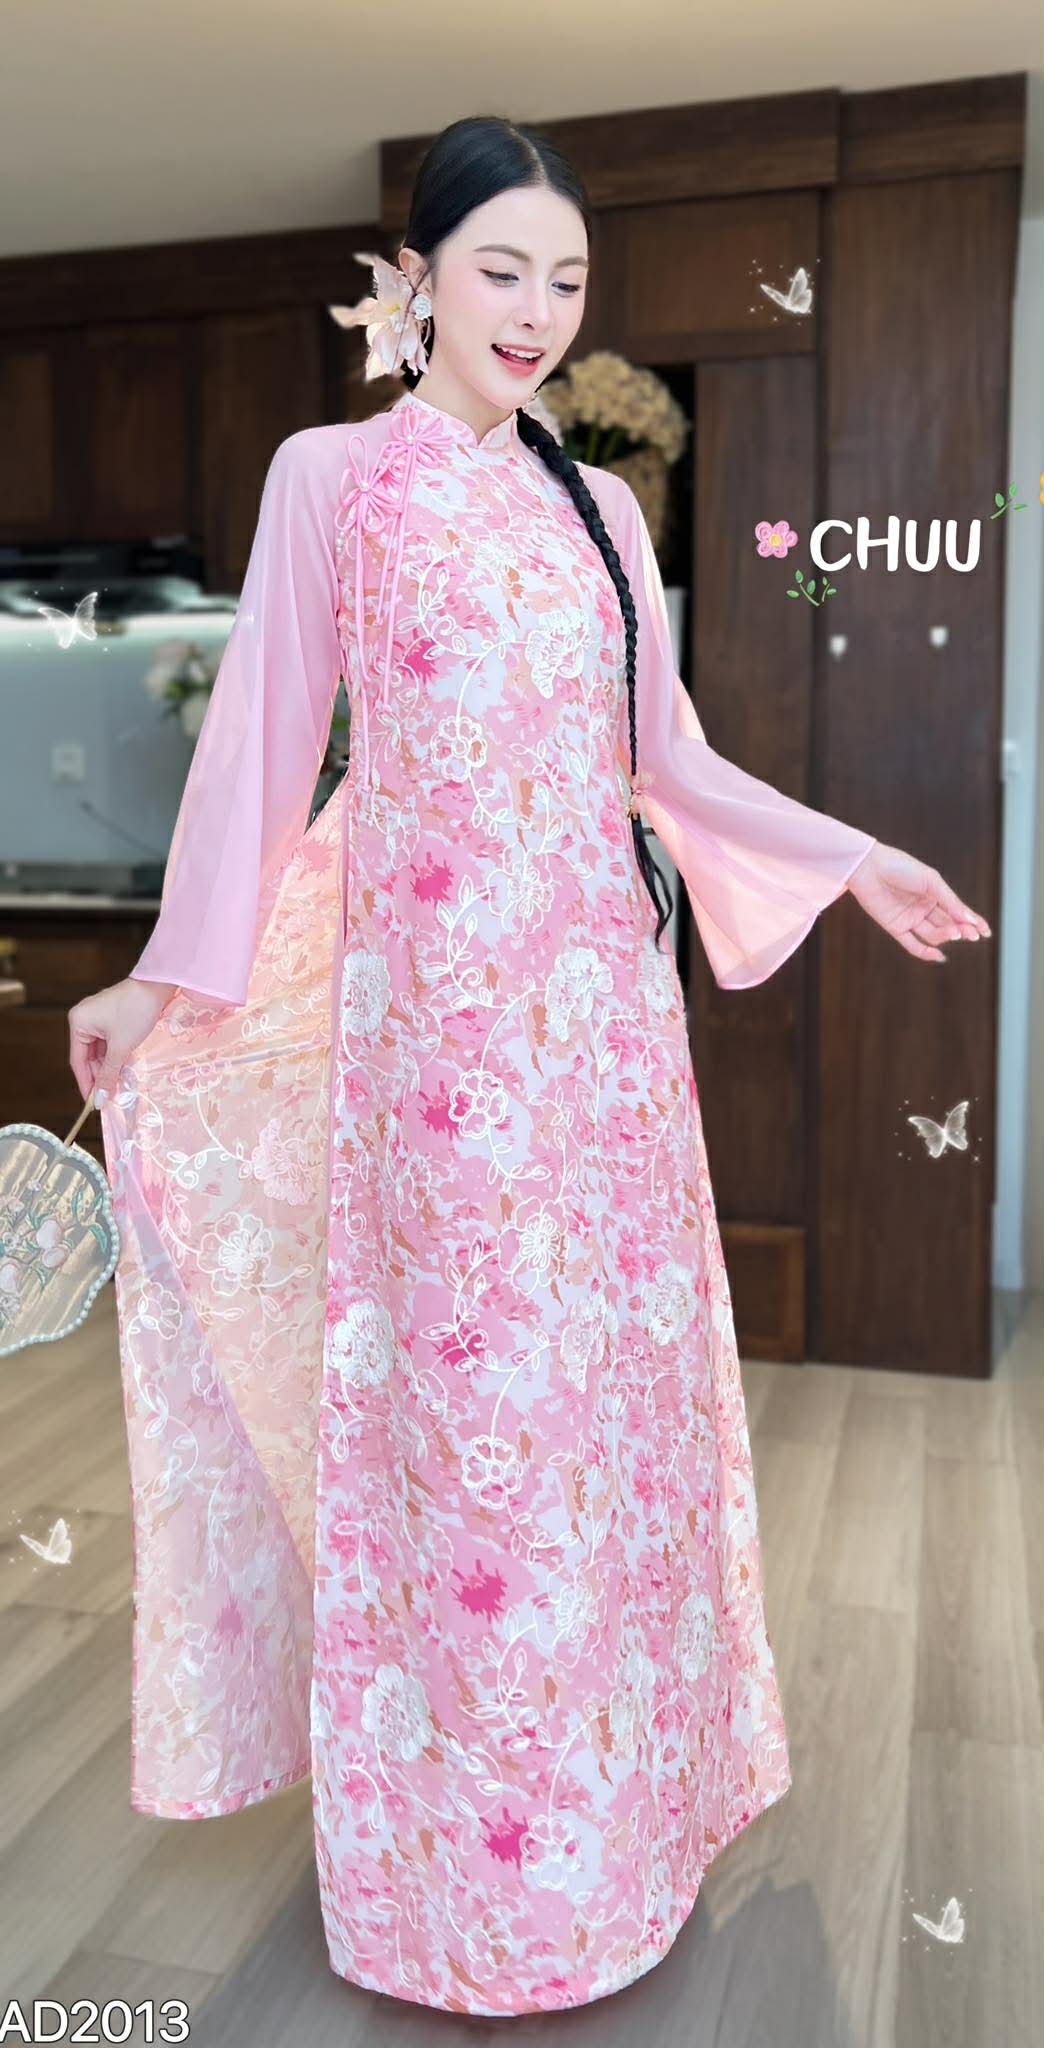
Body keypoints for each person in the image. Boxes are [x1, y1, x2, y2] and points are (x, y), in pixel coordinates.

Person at [67, 116, 989, 2019]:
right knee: (467, 1457)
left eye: (567, 280)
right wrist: (164, 981)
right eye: (502, 269)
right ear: (416, 279)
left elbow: (673, 765)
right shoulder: (334, 479)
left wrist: (856, 858)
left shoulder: (601, 512)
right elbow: (263, 750)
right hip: (436, 1061)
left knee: (601, 1444)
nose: (538, 310)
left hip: (604, 1051)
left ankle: (617, 1849)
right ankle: (468, 1901)